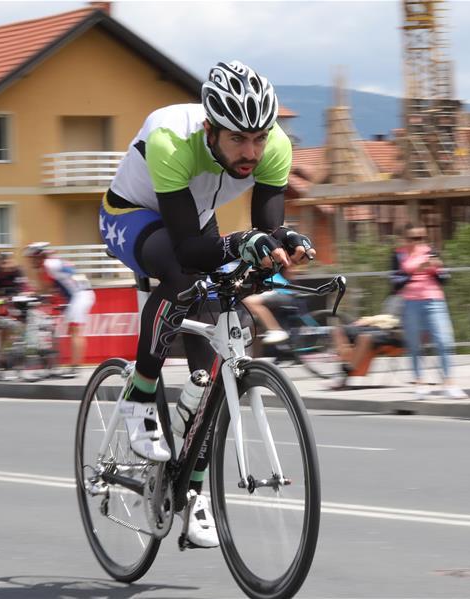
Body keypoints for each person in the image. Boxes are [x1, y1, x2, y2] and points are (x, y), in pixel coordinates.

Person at [100, 60, 313, 548]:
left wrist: (284, 241)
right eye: (238, 139)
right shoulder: (170, 138)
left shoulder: (274, 146)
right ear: (210, 129)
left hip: (195, 221)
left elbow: (267, 223)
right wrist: (245, 242)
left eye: (258, 138)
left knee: (213, 368)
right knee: (180, 275)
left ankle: (192, 494)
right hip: (134, 215)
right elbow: (189, 250)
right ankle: (140, 393)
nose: (251, 152)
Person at [394, 223, 466, 399]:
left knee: (444, 340)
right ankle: (420, 382)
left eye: (421, 238)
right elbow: (394, 282)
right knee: (415, 345)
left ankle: (449, 383)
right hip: (411, 302)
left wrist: (439, 267)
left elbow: (445, 278)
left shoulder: (430, 251)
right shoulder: (399, 254)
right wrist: (414, 272)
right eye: (413, 238)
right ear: (405, 239)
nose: (418, 242)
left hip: (434, 300)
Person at [23, 242, 94, 374]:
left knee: (75, 331)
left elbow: (45, 289)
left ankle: (75, 367)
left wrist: (32, 295)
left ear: (39, 256)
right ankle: (74, 365)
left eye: (32, 258)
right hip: (79, 295)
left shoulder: (48, 265)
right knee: (72, 331)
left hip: (80, 295)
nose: (31, 262)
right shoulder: (55, 262)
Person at [242, 266, 296, 345]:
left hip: (280, 291)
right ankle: (254, 355)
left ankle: (275, 331)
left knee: (250, 302)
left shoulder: (252, 264)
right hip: (272, 291)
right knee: (250, 317)